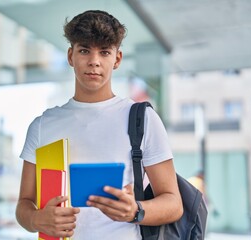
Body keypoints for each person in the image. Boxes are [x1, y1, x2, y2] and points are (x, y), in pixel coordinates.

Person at [15, 10, 183, 240]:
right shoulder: (43, 125)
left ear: (117, 59)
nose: (94, 61)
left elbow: (174, 203)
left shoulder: (142, 119)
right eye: (84, 50)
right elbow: (24, 204)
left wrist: (136, 210)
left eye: (104, 52)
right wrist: (36, 219)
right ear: (70, 56)